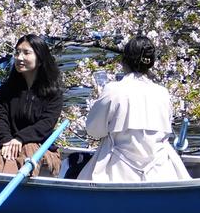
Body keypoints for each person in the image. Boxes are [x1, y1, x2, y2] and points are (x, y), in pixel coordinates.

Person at [77, 36, 191, 182]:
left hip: (117, 171)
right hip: (161, 172)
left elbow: (94, 130)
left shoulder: (113, 90)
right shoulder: (163, 93)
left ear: (124, 61)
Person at [0, 34, 64, 177]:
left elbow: (46, 124)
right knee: (6, 155)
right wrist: (6, 140)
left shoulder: (53, 93)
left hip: (41, 150)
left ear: (40, 58)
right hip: (10, 148)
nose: (19, 58)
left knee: (28, 149)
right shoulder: (7, 90)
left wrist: (20, 138)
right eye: (17, 52)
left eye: (26, 53)